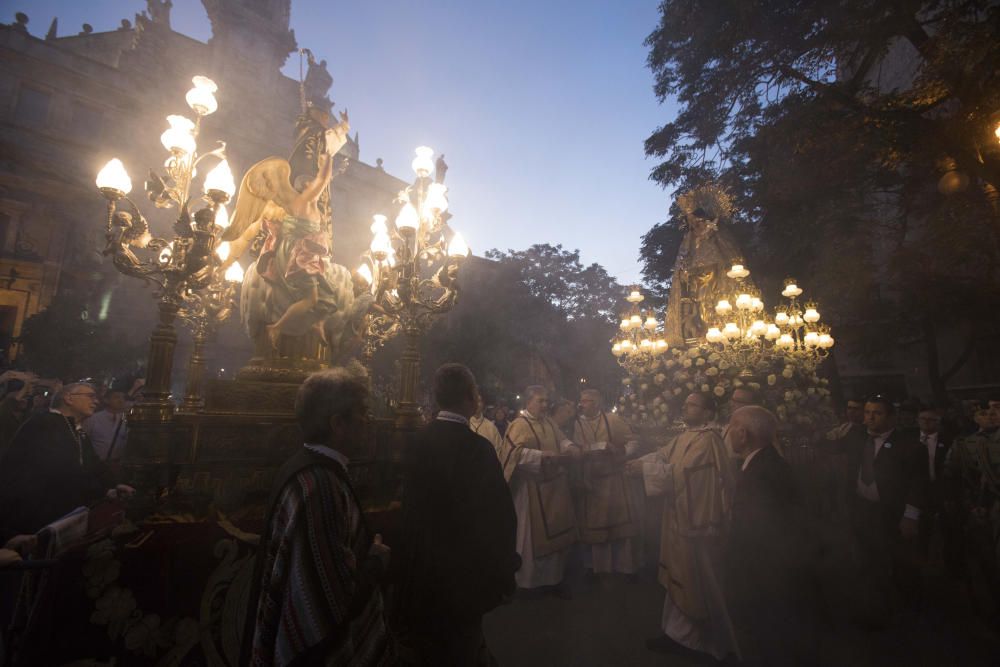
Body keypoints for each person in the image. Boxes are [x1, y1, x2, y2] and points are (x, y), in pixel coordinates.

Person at [244, 369, 394, 666]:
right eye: (363, 413)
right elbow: (330, 600)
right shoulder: (320, 486)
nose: (370, 421)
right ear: (338, 423)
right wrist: (376, 560)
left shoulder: (308, 470)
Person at [395, 364, 519, 665]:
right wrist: (505, 573)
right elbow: (499, 517)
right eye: (475, 393)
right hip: (463, 574)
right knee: (461, 645)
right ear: (468, 398)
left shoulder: (415, 441)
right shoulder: (478, 448)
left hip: (420, 569)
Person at [630, 392, 739, 661]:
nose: (686, 408)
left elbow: (686, 476)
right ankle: (675, 633)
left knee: (698, 581)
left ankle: (699, 641)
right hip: (681, 518)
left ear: (708, 412)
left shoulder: (709, 441)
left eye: (692, 405)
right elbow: (663, 456)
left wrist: (644, 472)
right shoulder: (686, 436)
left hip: (698, 524)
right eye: (687, 404)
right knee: (680, 577)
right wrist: (638, 463)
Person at [725, 406, 813, 665]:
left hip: (765, 572)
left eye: (731, 427)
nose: (727, 433)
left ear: (742, 433)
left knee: (769, 638)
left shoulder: (764, 470)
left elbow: (761, 526)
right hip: (770, 568)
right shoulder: (765, 462)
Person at [0, 382, 133, 543]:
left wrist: (112, 487)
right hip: (33, 510)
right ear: (69, 398)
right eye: (90, 396)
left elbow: (93, 464)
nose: (96, 401)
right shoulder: (45, 423)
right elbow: (62, 470)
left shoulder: (76, 429)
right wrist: (99, 490)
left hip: (61, 507)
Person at [844, 396, 927, 616]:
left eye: (877, 413)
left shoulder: (909, 446)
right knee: (868, 560)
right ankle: (875, 606)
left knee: (902, 562)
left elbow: (918, 483)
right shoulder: (858, 439)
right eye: (868, 412)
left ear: (891, 417)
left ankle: (911, 607)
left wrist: (911, 515)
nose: (870, 418)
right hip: (864, 509)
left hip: (893, 511)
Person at [497, 385, 580, 595]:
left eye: (545, 401)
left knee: (557, 537)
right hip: (530, 490)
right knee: (529, 540)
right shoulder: (518, 424)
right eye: (540, 401)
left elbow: (562, 440)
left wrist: (570, 447)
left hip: (554, 487)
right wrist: (540, 456)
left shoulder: (549, 422)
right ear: (528, 402)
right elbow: (514, 454)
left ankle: (553, 579)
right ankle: (529, 583)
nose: (545, 405)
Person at [572, 388, 642, 575]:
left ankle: (624, 567)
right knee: (595, 526)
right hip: (592, 481)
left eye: (587, 401)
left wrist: (621, 453)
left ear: (597, 403)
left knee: (619, 525)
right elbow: (577, 448)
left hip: (614, 479)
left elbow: (633, 442)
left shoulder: (613, 419)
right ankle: (598, 568)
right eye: (582, 400)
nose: (582, 404)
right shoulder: (578, 423)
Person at [82, 383, 131, 464]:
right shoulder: (93, 419)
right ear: (106, 400)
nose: (121, 400)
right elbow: (84, 441)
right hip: (97, 464)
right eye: (116, 397)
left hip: (120, 464)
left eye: (123, 398)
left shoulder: (128, 419)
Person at [469, 390, 504, 455]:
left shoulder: (491, 427)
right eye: (474, 401)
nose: (476, 404)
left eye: (479, 401)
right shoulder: (464, 424)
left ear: (483, 404)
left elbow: (499, 450)